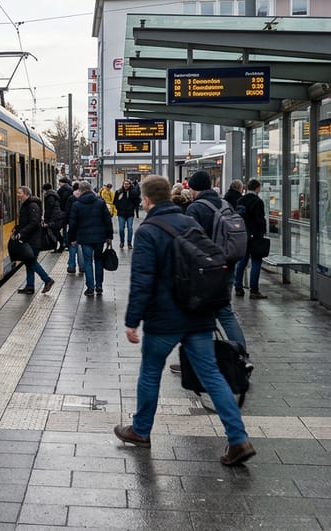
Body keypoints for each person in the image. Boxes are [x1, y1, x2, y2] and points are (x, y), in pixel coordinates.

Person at [113, 174, 255, 466]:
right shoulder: (190, 222)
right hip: (198, 313)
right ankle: (238, 439)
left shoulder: (148, 231)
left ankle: (140, 430)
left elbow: (142, 280)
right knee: (213, 376)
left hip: (164, 320)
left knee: (151, 372)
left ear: (147, 199)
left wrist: (131, 321)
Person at [183, 170, 250, 360]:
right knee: (225, 312)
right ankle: (242, 356)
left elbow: (192, 242)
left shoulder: (195, 208)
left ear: (194, 188)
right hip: (227, 264)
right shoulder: (224, 203)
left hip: (206, 270)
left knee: (198, 313)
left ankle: (198, 361)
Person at [67, 181, 113, 295]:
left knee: (88, 261)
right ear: (91, 189)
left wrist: (72, 238)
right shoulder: (100, 202)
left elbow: (72, 224)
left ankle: (90, 288)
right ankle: (99, 286)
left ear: (80, 190)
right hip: (99, 237)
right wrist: (109, 236)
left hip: (84, 237)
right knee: (98, 260)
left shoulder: (76, 205)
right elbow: (108, 220)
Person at [12, 186, 54, 295]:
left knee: (31, 262)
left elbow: (34, 223)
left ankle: (47, 280)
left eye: (19, 193)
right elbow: (26, 222)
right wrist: (17, 229)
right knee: (28, 262)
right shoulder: (27, 205)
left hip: (33, 240)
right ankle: (30, 286)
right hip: (30, 239)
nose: (17, 195)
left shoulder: (32, 205)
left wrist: (22, 233)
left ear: (26, 194)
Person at [235, 178, 268, 299]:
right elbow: (260, 220)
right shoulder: (257, 201)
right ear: (257, 188)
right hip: (255, 235)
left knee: (242, 262)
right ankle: (254, 290)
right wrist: (262, 231)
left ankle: (238, 287)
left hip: (243, 234)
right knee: (256, 262)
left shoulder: (241, 200)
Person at [112, 180, 140, 249]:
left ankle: (129, 243)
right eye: (125, 184)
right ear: (123, 184)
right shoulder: (119, 192)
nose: (126, 185)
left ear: (130, 185)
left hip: (130, 213)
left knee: (130, 229)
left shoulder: (133, 192)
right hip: (121, 213)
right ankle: (122, 242)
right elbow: (115, 202)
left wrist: (133, 207)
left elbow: (137, 201)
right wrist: (119, 200)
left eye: (127, 184)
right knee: (121, 229)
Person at [41, 182, 64, 253]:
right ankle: (58, 246)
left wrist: (45, 219)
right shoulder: (53, 194)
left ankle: (60, 245)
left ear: (45, 189)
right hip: (57, 216)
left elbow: (49, 209)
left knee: (54, 232)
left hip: (54, 217)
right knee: (55, 232)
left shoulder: (49, 196)